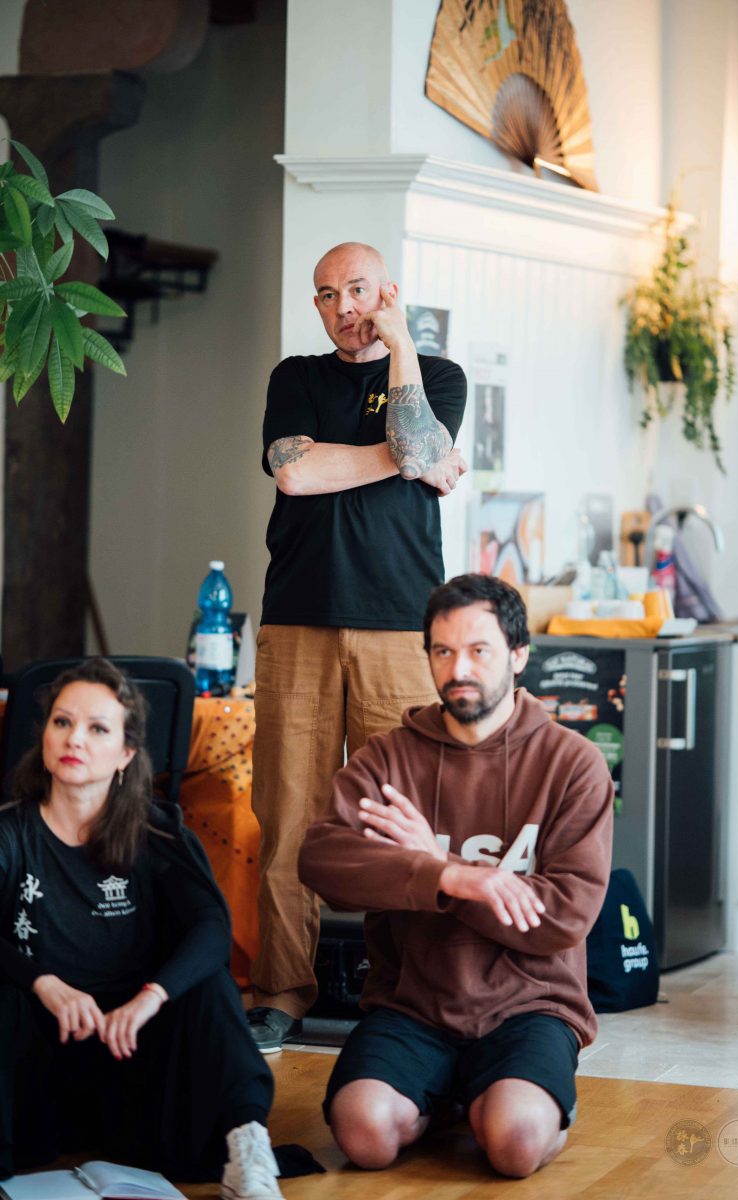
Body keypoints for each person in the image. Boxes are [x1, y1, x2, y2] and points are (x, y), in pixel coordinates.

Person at [299, 574, 614, 1179]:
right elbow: (322, 861)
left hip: (532, 1006)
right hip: (412, 1006)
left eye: (478, 650)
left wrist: (442, 868)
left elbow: (564, 915)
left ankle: (503, 1104)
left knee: (515, 1144)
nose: (458, 668)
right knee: (362, 1134)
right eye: (442, 651)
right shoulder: (388, 759)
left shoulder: (573, 763)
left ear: (518, 656)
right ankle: (449, 1101)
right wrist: (453, 879)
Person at [249, 241, 468, 1052]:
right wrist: (410, 461)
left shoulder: (438, 376)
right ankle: (279, 994)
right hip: (297, 621)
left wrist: (401, 345)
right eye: (327, 294)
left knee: (401, 824)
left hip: (400, 626)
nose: (344, 306)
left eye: (359, 290)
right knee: (288, 820)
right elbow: (295, 474)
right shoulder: (295, 378)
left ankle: (402, 1000)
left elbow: (415, 445)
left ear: (389, 293)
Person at [0, 658, 282, 1200]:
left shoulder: (157, 833)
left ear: (126, 753)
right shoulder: (12, 833)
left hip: (133, 1052)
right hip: (36, 1066)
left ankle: (246, 1147)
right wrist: (43, 983)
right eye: (62, 722)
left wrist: (152, 996)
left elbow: (211, 928)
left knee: (208, 985)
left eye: (97, 728)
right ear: (44, 736)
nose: (74, 739)